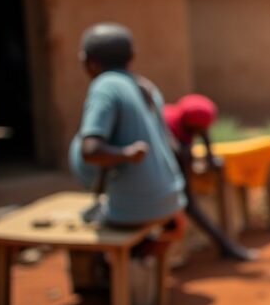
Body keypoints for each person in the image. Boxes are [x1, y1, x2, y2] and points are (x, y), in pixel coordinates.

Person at [69, 23, 185, 228]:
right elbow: (172, 145)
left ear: (90, 62)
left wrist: (126, 154)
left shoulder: (105, 86)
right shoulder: (146, 86)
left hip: (134, 210)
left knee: (82, 232)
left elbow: (91, 151)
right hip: (171, 199)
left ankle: (100, 259)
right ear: (131, 58)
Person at [163, 94, 259, 262]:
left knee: (188, 205)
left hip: (177, 161)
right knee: (187, 205)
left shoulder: (190, 121)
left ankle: (224, 245)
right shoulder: (169, 130)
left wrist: (210, 157)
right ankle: (224, 246)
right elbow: (179, 156)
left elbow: (204, 137)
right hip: (160, 173)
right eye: (196, 130)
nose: (200, 133)